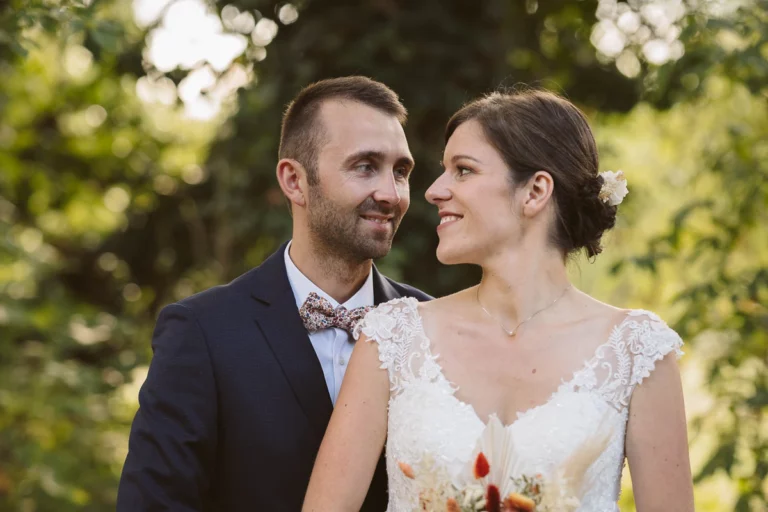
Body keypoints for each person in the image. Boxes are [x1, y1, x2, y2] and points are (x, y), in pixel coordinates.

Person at [303, 89, 695, 511]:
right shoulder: (391, 338)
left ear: (535, 192)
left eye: (463, 170)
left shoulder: (638, 352)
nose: (433, 191)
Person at [117, 76, 431, 511]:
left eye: (401, 172)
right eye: (365, 166)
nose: (391, 194)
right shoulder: (202, 332)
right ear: (294, 181)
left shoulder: (434, 326)